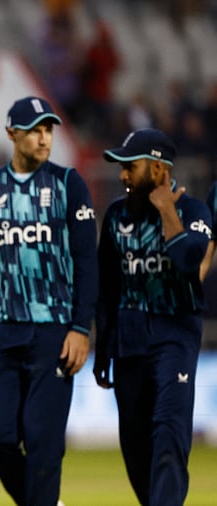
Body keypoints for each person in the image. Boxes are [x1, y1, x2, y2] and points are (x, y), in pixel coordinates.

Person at [0, 96, 98, 505]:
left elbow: (87, 261)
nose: (44, 138)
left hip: (54, 330)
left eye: (49, 129)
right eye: (35, 130)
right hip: (0, 329)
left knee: (44, 444)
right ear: (11, 134)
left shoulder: (69, 184)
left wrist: (80, 327)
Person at [94, 128, 211, 506]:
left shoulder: (193, 212)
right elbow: (108, 286)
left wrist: (166, 210)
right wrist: (103, 348)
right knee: (134, 447)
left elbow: (190, 262)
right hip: (128, 347)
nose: (123, 175)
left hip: (174, 338)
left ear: (159, 168)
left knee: (168, 433)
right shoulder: (115, 215)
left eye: (131, 166)